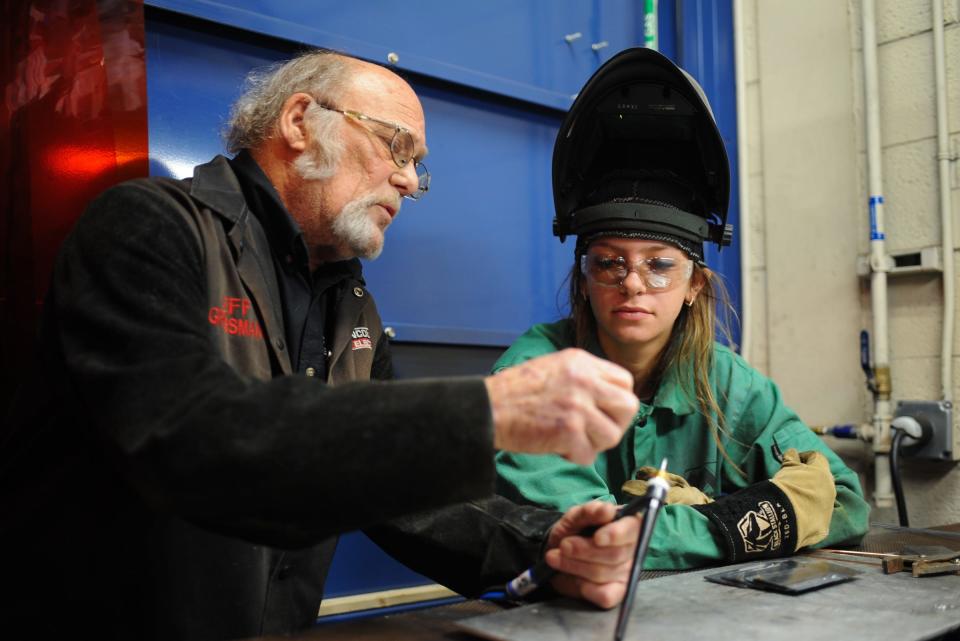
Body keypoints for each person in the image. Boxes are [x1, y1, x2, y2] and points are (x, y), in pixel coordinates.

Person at [0, 49, 644, 640]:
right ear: (301, 121)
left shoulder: (350, 302)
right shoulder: (148, 229)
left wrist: (545, 546)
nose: (409, 181)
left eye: (418, 165)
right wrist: (489, 411)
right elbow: (193, 437)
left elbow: (399, 490)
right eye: (397, 146)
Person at [495, 48, 870, 570]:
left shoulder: (730, 386)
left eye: (659, 265)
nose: (633, 285)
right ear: (582, 281)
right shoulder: (531, 376)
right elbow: (598, 543)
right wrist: (736, 522)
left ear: (695, 283)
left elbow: (847, 499)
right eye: (608, 263)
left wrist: (702, 522)